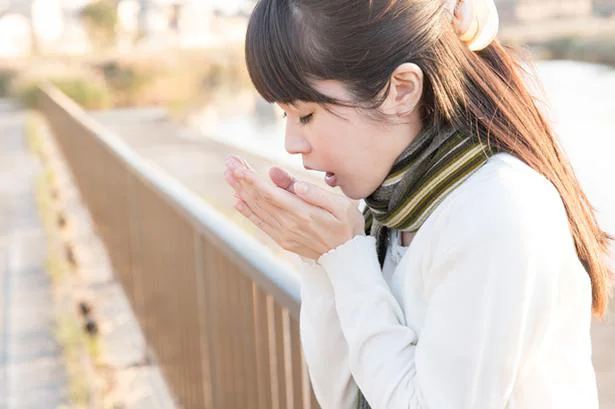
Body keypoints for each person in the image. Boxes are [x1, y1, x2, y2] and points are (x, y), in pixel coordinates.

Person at [223, 0, 613, 407]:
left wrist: (342, 257)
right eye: (283, 116)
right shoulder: (392, 204)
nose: (292, 144)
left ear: (402, 90)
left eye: (305, 115)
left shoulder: (497, 210)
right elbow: (343, 396)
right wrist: (322, 257)